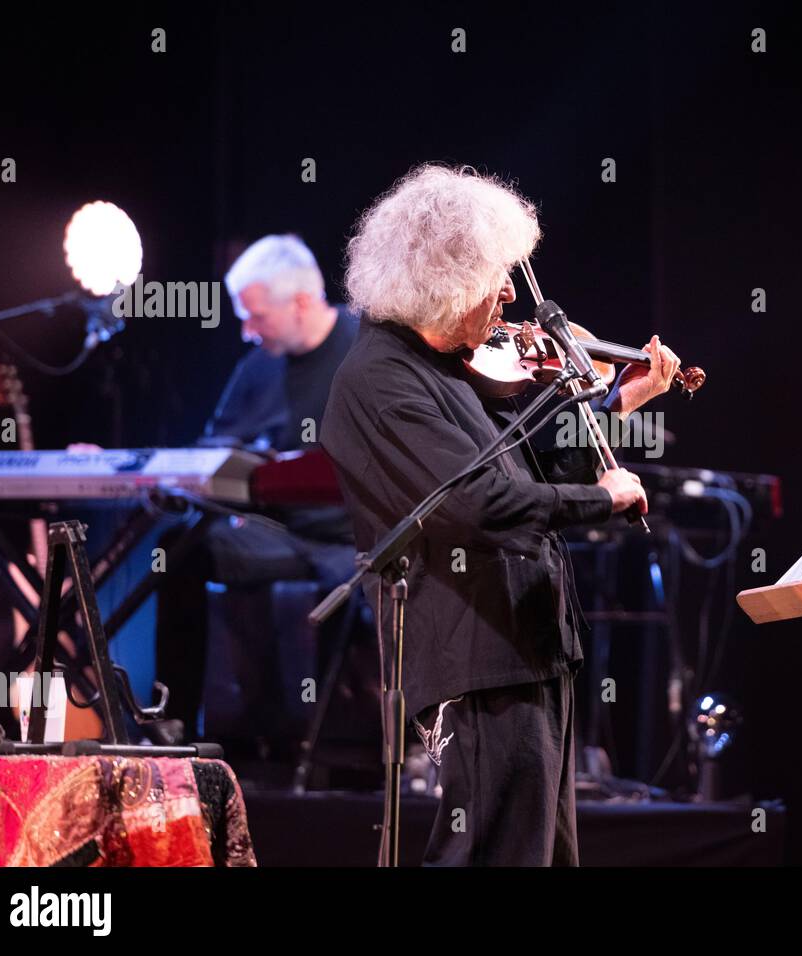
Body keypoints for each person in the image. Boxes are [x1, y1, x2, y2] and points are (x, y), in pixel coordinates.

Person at [321, 164, 680, 865]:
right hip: (474, 659)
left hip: (527, 649)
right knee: (490, 855)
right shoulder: (380, 380)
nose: (511, 295)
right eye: (493, 276)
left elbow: (527, 476)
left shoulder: (451, 370)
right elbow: (477, 506)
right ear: (441, 283)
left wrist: (614, 407)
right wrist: (601, 500)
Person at [154, 234, 359, 742]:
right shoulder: (259, 366)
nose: (247, 331)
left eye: (257, 316)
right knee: (178, 549)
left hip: (358, 541)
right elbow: (214, 451)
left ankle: (344, 744)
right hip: (281, 535)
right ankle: (172, 721)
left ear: (303, 302)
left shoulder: (366, 353)